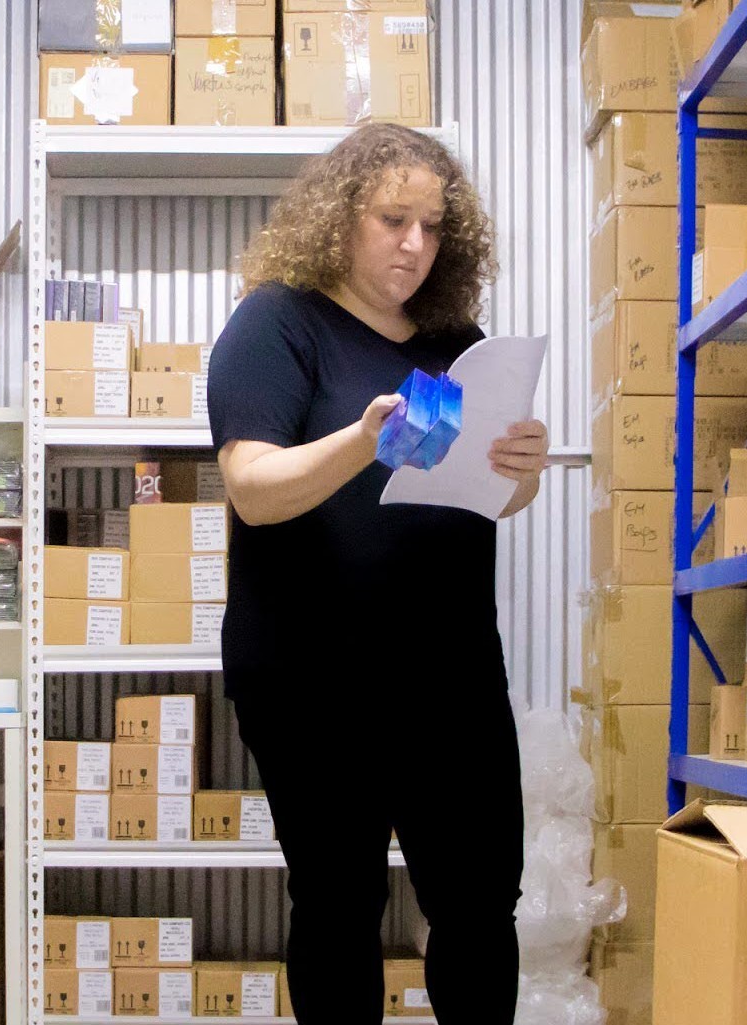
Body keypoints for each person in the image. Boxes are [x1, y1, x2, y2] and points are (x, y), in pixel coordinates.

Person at [206, 123, 547, 1025]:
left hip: (451, 672)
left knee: (480, 903)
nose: (415, 245)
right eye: (394, 220)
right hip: (314, 676)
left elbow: (482, 498)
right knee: (340, 905)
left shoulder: (455, 340)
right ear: (338, 217)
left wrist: (521, 470)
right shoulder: (277, 322)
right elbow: (251, 487)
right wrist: (363, 439)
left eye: (433, 227)